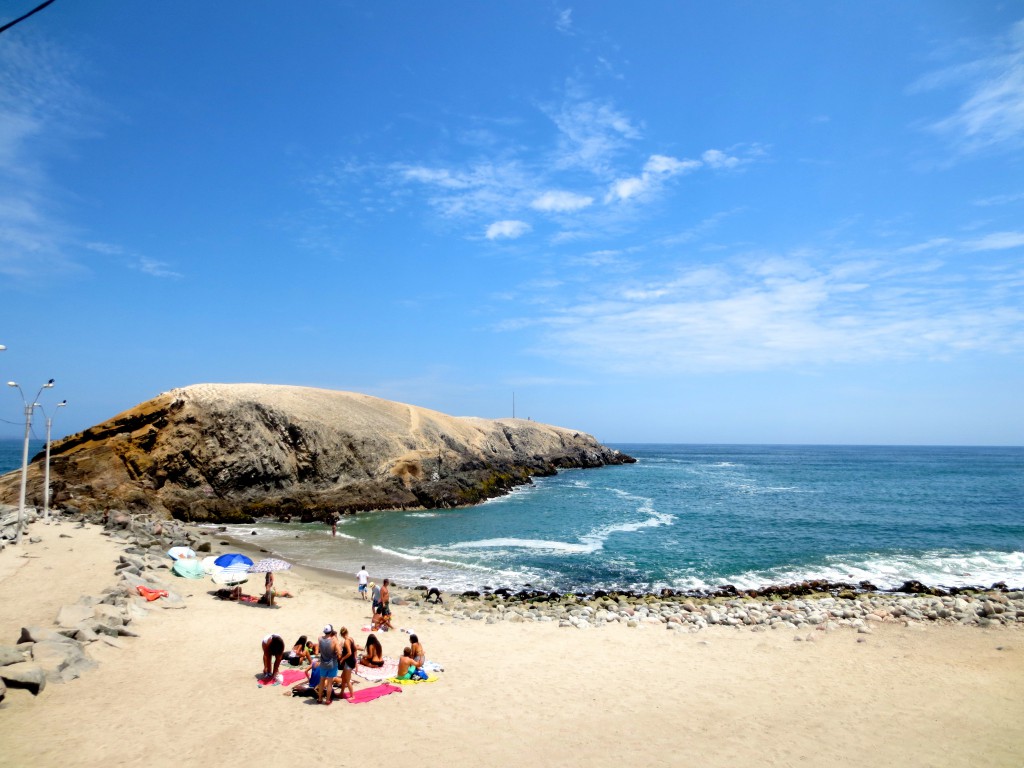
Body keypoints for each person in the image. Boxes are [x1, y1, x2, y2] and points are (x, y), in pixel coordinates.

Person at [316, 624, 341, 705]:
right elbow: (339, 652)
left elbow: (318, 650)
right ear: (331, 632)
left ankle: (319, 699)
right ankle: (327, 700)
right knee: (330, 683)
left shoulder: (320, 639)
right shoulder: (334, 641)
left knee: (321, 681)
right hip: (332, 664)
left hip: (323, 663)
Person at [337, 626, 358, 700]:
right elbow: (355, 649)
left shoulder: (346, 641)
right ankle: (341, 693)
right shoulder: (351, 638)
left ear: (341, 634)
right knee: (343, 678)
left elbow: (349, 652)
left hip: (349, 662)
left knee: (348, 680)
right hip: (350, 661)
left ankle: (352, 696)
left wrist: (343, 658)